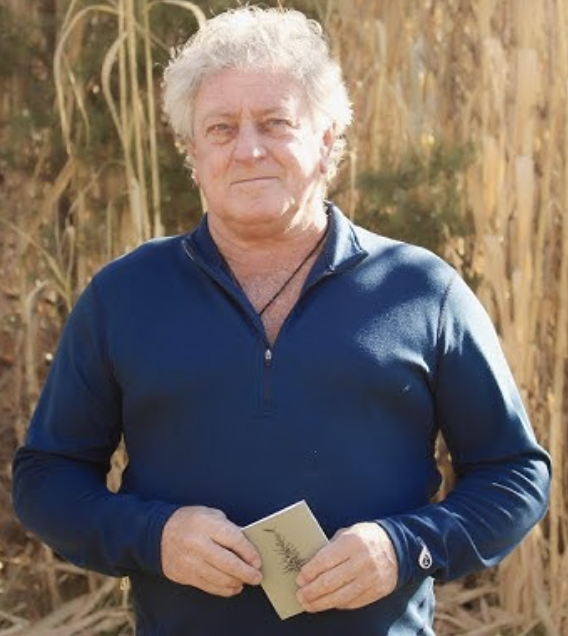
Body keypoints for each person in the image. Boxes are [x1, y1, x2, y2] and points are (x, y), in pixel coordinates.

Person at [12, 6, 550, 635]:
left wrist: (406, 548)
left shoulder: (423, 290)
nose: (248, 149)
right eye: (221, 128)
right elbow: (46, 479)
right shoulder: (123, 295)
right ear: (192, 152)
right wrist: (155, 536)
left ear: (325, 139)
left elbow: (515, 475)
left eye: (275, 122)